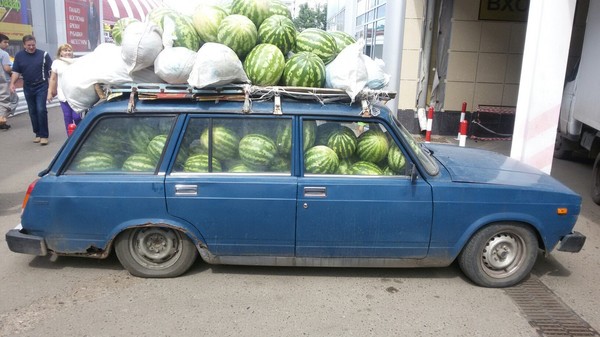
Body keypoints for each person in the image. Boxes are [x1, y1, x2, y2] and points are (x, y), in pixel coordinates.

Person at [10, 35, 53, 145]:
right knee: (32, 111)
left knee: (41, 109)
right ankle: (37, 133)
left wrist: (52, 88)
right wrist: (12, 84)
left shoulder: (44, 55)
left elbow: (52, 72)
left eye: (33, 45)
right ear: (24, 45)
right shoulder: (19, 56)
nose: (31, 47)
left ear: (35, 43)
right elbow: (16, 71)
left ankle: (44, 135)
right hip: (28, 86)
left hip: (41, 85)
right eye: (29, 45)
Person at [47, 43, 80, 135]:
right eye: (65, 50)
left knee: (77, 117)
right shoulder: (56, 63)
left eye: (69, 50)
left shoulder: (76, 62)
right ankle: (70, 139)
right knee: (67, 117)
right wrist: (50, 92)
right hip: (63, 94)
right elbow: (53, 79)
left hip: (75, 95)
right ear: (60, 53)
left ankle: (81, 134)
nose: (67, 52)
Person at [0, 33, 16, 130]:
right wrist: (14, 71)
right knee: (12, 99)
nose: (7, 45)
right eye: (5, 42)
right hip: (3, 81)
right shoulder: (4, 54)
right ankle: (2, 118)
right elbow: (7, 68)